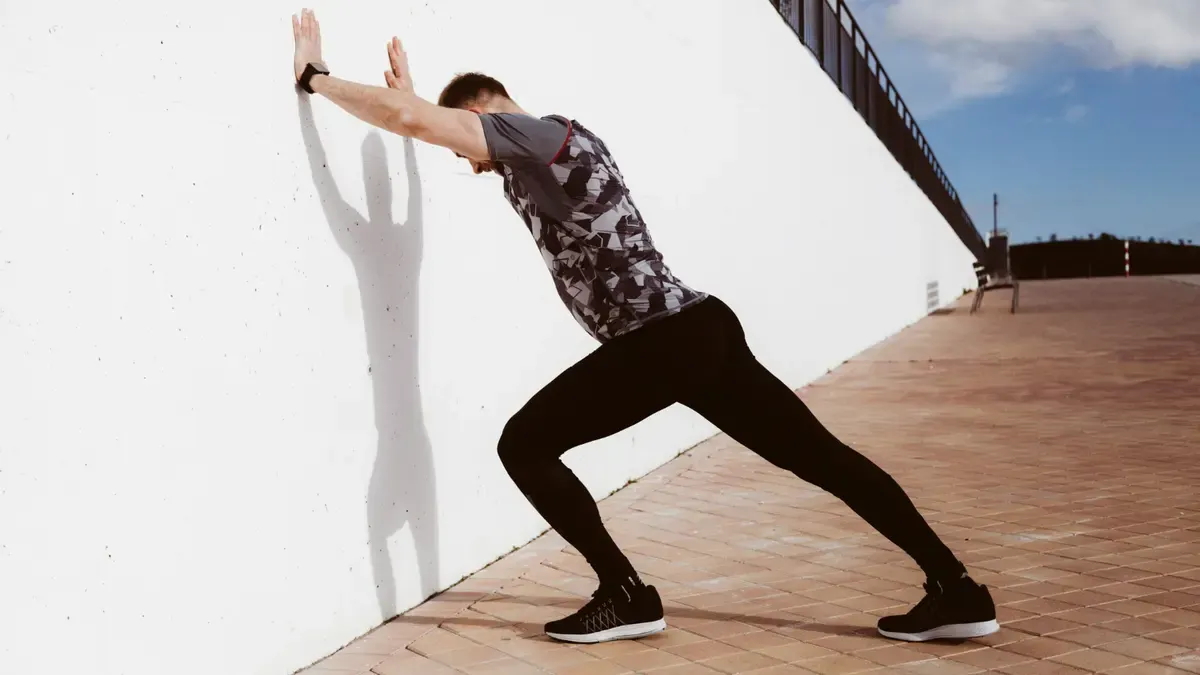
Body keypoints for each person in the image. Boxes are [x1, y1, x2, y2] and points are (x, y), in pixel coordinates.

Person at [290, 9, 1000, 645]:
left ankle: (625, 593)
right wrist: (411, 98)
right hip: (698, 329)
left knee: (523, 445)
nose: (469, 167)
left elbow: (419, 124)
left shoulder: (540, 137)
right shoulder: (536, 155)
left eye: (464, 147)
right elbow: (417, 120)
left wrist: (318, 78)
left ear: (484, 110)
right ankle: (957, 588)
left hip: (663, 341)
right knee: (822, 457)